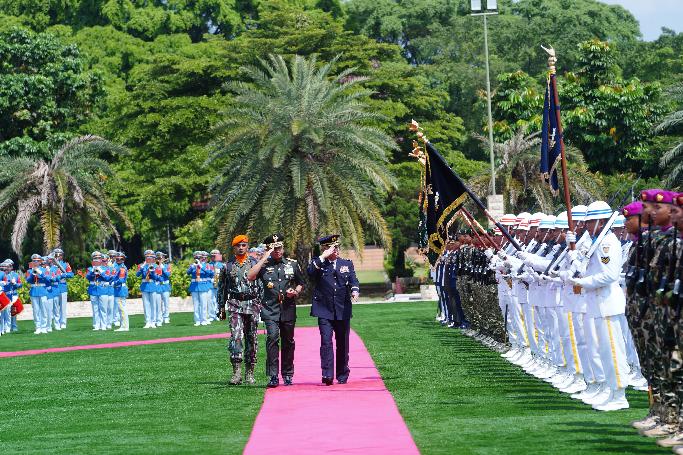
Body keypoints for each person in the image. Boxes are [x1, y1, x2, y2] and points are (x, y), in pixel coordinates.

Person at [248, 234, 305, 387]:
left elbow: (300, 282)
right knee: (272, 338)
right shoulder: (264, 265)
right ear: (268, 249)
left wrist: (295, 291)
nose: (277, 250)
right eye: (274, 248)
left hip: (288, 308)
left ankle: (287, 374)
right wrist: (264, 257)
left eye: (279, 247)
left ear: (283, 248)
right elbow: (250, 276)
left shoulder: (292, 264)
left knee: (288, 341)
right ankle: (273, 375)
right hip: (270, 309)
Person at [307, 234, 359, 385]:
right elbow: (310, 272)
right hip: (324, 309)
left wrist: (355, 290)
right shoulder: (319, 263)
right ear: (324, 249)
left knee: (342, 343)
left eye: (336, 247)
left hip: (342, 309)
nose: (335, 250)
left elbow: (353, 280)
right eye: (331, 248)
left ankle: (342, 374)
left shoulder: (346, 263)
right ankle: (327, 374)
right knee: (326, 342)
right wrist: (323, 256)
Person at [217, 235, 261, 385]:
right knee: (236, 336)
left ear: (247, 246)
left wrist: (263, 305)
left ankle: (250, 372)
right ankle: (236, 372)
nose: (241, 248)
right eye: (238, 245)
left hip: (252, 304)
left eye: (243, 245)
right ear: (233, 248)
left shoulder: (255, 263)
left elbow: (261, 286)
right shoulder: (227, 266)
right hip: (235, 304)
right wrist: (221, 307)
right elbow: (222, 288)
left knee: (252, 338)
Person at [137, 250, 161, 328]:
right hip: (145, 286)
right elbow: (137, 274)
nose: (149, 258)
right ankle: (147, 321)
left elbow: (159, 278)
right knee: (146, 305)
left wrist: (153, 273)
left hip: (152, 285)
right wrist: (142, 267)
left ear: (153, 258)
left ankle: (153, 322)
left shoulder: (156, 266)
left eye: (150, 257)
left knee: (153, 305)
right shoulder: (142, 266)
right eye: (147, 257)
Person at [52, 248, 73, 330]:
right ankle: (56, 324)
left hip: (63, 286)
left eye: (60, 255)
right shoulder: (51, 265)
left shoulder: (65, 264)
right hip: (55, 287)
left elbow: (71, 274)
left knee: (63, 307)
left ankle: (63, 323)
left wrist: (62, 275)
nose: (58, 256)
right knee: (55, 307)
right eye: (56, 255)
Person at [113, 252, 129, 331]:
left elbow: (121, 279)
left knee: (122, 308)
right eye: (117, 259)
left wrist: (113, 283)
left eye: (121, 259)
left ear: (123, 259)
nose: (119, 260)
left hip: (120, 289)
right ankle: (123, 326)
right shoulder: (116, 267)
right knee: (121, 309)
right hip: (118, 289)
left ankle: (124, 326)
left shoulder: (122, 268)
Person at [156, 251, 171, 325]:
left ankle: (166, 317)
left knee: (166, 303)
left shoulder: (167, 266)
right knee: (158, 303)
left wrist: (162, 267)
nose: (161, 259)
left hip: (165, 286)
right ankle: (159, 318)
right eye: (159, 258)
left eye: (162, 257)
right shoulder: (154, 266)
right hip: (157, 286)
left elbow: (168, 274)